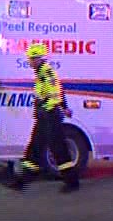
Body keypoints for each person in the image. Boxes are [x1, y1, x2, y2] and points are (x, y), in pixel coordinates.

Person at [11, 42, 80, 192]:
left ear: (38, 58)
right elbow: (59, 91)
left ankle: (72, 182)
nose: (29, 62)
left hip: (50, 117)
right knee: (34, 149)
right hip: (45, 117)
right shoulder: (42, 73)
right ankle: (22, 181)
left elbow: (55, 94)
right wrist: (64, 107)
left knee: (58, 149)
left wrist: (51, 107)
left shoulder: (46, 73)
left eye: (31, 59)